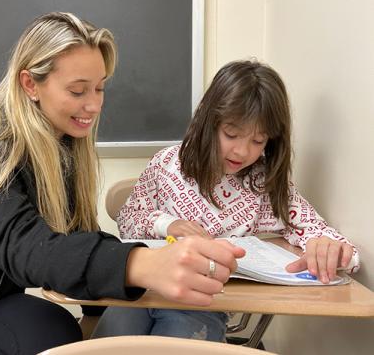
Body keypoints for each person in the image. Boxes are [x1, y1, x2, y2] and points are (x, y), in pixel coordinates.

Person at [0, 12, 246, 354]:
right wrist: (140, 263)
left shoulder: (62, 145)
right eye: (77, 90)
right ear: (30, 84)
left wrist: (104, 306)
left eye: (100, 88)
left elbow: (73, 238)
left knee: (58, 332)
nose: (94, 104)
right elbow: (25, 246)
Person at [91, 59, 360, 342]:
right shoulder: (168, 164)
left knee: (179, 338)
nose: (242, 151)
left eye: (258, 141)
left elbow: (334, 244)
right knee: (113, 340)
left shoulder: (263, 183)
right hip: (144, 291)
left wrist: (330, 248)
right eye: (231, 134)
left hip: (202, 302)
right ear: (209, 121)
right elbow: (129, 219)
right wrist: (168, 224)